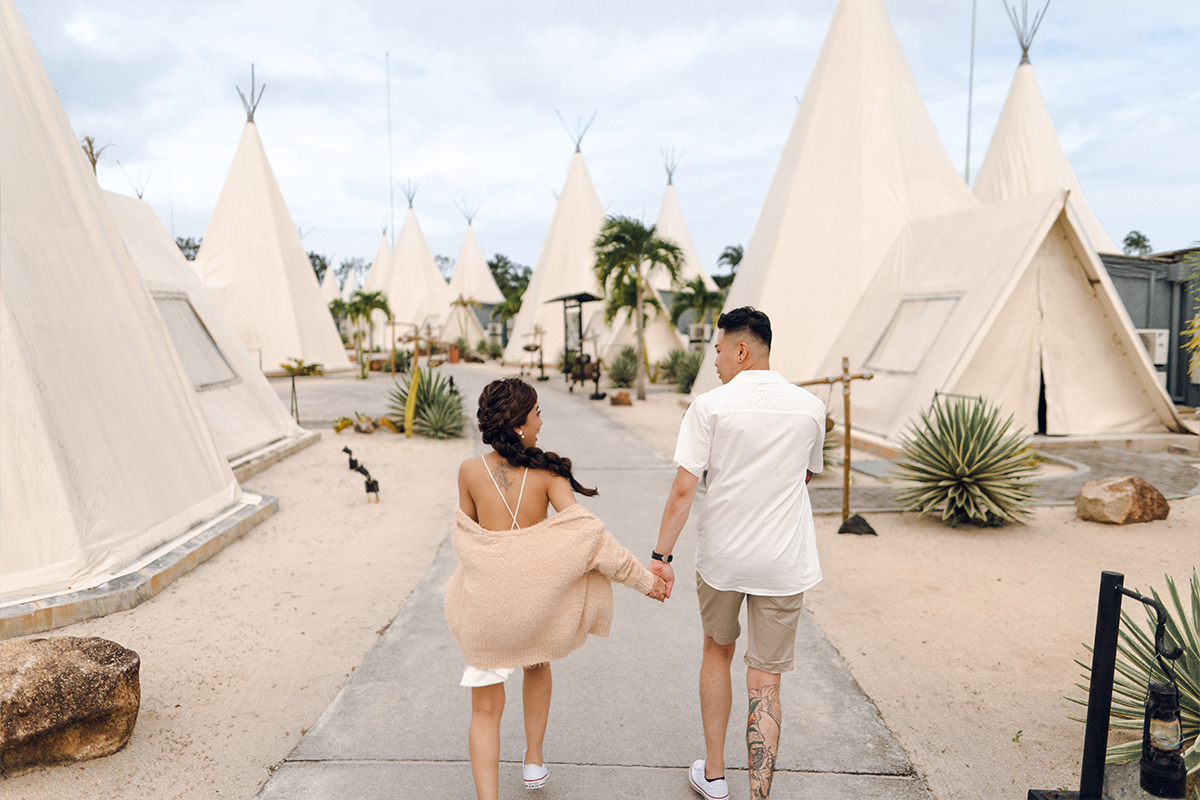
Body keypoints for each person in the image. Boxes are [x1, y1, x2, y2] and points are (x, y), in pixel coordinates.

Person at [445, 376, 667, 800]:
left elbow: (469, 541)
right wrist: (645, 581)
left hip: (487, 612)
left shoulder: (469, 472)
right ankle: (533, 759)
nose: (542, 422)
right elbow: (589, 538)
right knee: (536, 659)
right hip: (535, 609)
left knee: (485, 710)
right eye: (537, 413)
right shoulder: (548, 473)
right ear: (519, 425)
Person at [648, 307, 826, 800]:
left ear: (742, 350)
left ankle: (715, 775)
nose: (716, 362)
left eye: (719, 350)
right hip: (784, 560)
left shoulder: (709, 407)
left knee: (717, 652)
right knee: (765, 680)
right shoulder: (811, 407)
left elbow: (684, 491)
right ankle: (759, 796)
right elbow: (804, 476)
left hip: (724, 557)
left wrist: (661, 555)